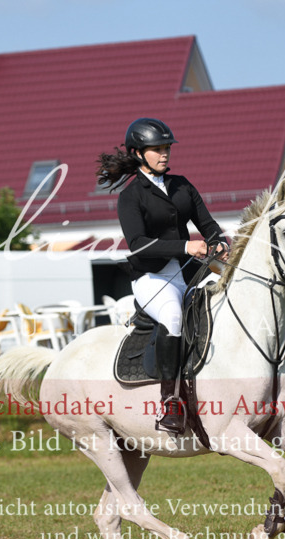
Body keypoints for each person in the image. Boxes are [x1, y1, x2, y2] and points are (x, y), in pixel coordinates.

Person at [96, 117, 227, 435]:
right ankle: (170, 403)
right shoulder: (131, 197)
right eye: (157, 149)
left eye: (166, 147)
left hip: (191, 274)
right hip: (152, 279)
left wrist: (218, 242)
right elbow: (139, 245)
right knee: (172, 314)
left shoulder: (182, 185)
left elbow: (208, 226)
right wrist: (185, 245)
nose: (164, 153)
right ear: (138, 153)